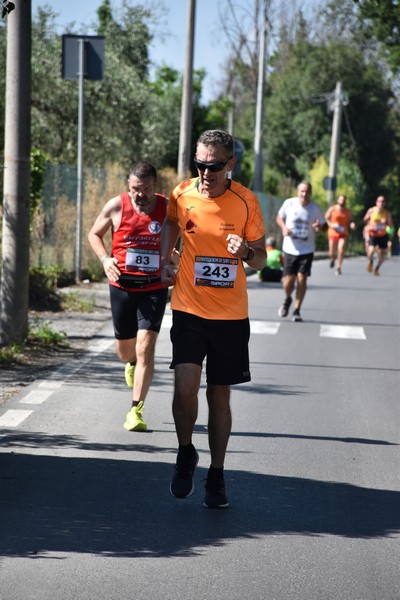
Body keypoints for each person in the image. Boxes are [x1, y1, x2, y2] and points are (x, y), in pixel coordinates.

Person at [160, 129, 266, 508]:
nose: (206, 174)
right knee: (184, 389)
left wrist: (245, 254)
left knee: (219, 395)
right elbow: (172, 224)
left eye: (214, 167)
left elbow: (262, 257)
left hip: (230, 316)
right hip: (188, 308)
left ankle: (216, 476)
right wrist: (166, 262)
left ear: (230, 164)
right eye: (200, 165)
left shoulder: (246, 202)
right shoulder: (182, 193)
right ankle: (185, 451)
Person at [88, 161, 169, 432]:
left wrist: (172, 262)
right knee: (126, 351)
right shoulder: (115, 206)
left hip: (154, 287)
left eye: (146, 189)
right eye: (135, 189)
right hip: (122, 285)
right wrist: (104, 259)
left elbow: (180, 237)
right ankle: (131, 362)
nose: (140, 194)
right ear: (128, 186)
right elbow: (94, 234)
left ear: (155, 186)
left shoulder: (166, 208)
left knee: (146, 346)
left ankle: (135, 410)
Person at [276, 181, 327, 322]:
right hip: (290, 248)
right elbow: (279, 217)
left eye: (307, 191)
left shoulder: (315, 209)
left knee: (302, 278)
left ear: (310, 193)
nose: (304, 194)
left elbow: (324, 226)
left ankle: (297, 310)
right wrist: (283, 228)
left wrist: (319, 227)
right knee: (288, 281)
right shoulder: (289, 204)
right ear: (298, 192)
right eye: (302, 191)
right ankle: (287, 299)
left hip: (307, 249)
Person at [325, 194, 356, 275]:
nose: (342, 201)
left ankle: (338, 267)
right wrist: (331, 225)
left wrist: (352, 224)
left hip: (343, 233)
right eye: (341, 199)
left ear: (345, 201)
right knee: (332, 252)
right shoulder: (333, 208)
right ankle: (332, 258)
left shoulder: (347, 211)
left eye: (343, 200)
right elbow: (326, 218)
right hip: (333, 232)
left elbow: (351, 220)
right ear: (338, 200)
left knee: (341, 249)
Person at [363, 195, 393, 276]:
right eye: (379, 201)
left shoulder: (386, 213)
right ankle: (371, 261)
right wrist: (370, 224)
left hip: (383, 235)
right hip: (373, 234)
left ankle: (377, 268)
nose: (381, 203)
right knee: (371, 250)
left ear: (384, 203)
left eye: (383, 201)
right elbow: (365, 219)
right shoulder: (371, 210)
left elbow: (390, 225)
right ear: (376, 202)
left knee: (383, 253)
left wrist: (385, 222)